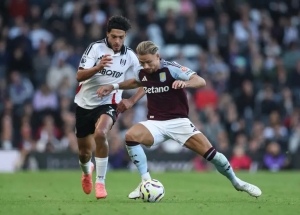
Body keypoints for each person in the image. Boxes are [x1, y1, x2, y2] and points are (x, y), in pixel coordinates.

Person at [97, 41, 262, 199]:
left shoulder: (171, 68)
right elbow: (140, 82)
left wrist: (185, 83)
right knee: (130, 137)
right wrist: (117, 89)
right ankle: (146, 182)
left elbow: (200, 81)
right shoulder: (143, 71)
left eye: (148, 62)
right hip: (156, 122)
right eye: (142, 62)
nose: (146, 66)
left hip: (179, 122)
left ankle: (237, 181)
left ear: (158, 56)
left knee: (214, 156)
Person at [74, 15, 145, 199]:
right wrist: (98, 68)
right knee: (83, 153)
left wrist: (131, 101)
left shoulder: (129, 55)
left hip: (109, 102)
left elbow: (144, 81)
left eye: (121, 37)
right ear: (107, 34)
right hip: (85, 104)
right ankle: (87, 170)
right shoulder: (95, 48)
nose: (117, 41)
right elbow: (79, 76)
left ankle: (101, 182)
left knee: (100, 133)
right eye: (114, 36)